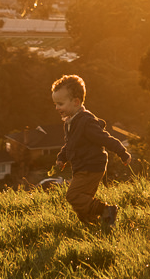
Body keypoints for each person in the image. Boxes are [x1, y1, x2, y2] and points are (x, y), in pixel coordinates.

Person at [51, 73, 130, 228]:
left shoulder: (86, 122)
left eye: (60, 103)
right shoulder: (70, 122)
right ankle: (96, 224)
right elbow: (70, 144)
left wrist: (122, 152)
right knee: (83, 200)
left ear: (76, 102)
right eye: (55, 104)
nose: (57, 108)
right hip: (82, 166)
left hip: (91, 166)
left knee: (73, 195)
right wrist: (62, 158)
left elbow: (104, 138)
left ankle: (107, 210)